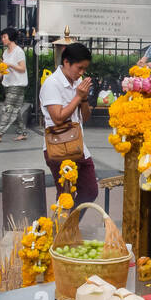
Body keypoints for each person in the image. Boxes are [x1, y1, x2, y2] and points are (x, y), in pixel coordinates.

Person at [39, 41, 98, 203]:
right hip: (58, 147)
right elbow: (57, 118)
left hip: (78, 145)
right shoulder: (51, 84)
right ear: (66, 62)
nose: (82, 73)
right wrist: (78, 97)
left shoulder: (79, 83)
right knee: (66, 195)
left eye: (85, 69)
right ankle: (63, 227)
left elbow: (85, 117)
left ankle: (70, 226)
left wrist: (84, 98)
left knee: (90, 191)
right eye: (79, 68)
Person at [0, 28, 29, 142]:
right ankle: (22, 132)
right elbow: (2, 69)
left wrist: (9, 64)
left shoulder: (19, 51)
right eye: (2, 37)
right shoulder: (6, 52)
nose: (3, 39)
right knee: (15, 110)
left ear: (11, 37)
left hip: (17, 85)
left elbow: (22, 68)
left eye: (4, 37)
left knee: (8, 109)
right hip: (9, 85)